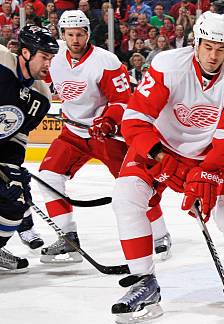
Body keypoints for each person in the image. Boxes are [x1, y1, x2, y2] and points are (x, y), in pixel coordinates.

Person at [111, 12, 224, 324]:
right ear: (196, 43)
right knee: (126, 197)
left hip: (212, 157)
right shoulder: (167, 65)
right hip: (160, 148)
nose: (213, 56)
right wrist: (162, 157)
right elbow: (134, 121)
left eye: (221, 49)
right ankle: (143, 282)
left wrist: (206, 174)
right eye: (208, 47)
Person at [41, 10, 171, 264]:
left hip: (106, 136)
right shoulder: (53, 56)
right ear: (62, 35)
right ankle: (67, 238)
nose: (75, 39)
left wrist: (109, 120)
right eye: (70, 35)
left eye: (80, 34)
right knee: (49, 177)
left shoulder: (106, 61)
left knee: (136, 184)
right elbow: (35, 75)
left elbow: (123, 99)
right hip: (73, 132)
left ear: (88, 33)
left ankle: (160, 234)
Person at [0, 26, 58, 272]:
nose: (49, 64)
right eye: (44, 57)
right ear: (25, 52)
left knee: (15, 207)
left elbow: (17, 135)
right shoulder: (1, 60)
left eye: (51, 59)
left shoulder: (41, 95)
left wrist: (13, 168)